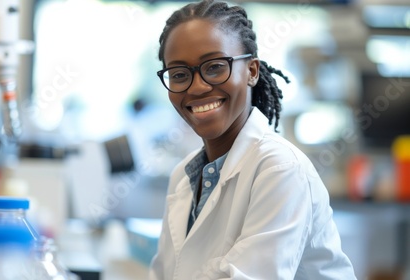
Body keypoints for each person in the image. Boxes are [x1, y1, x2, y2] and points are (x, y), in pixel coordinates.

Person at [149, 0, 357, 279]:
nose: (197, 87)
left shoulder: (280, 169)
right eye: (179, 74)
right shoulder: (183, 176)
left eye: (214, 67)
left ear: (252, 71)